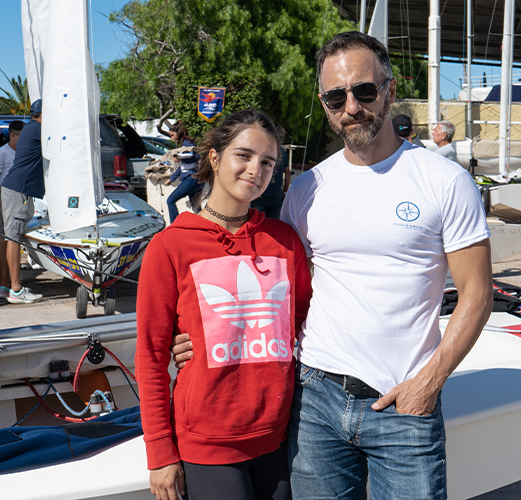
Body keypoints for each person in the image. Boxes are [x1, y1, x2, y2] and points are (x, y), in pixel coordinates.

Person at [172, 31, 493, 499]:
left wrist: (431, 380)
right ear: (324, 105)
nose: (352, 107)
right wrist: (202, 334)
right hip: (314, 401)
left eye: (364, 91)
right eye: (336, 97)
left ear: (390, 90)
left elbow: (477, 294)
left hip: (404, 402)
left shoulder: (445, 181)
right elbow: (268, 282)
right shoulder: (308, 188)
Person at [136, 110, 312, 500]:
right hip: (207, 442)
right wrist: (159, 450)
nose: (255, 170)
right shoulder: (170, 246)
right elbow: (150, 356)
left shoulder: (285, 241)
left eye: (267, 162)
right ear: (214, 158)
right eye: (244, 155)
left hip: (281, 436)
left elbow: (303, 323)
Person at [0, 99, 44, 304]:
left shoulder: (30, 127)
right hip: (18, 190)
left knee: (12, 237)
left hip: (15, 188)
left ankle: (10, 288)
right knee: (14, 237)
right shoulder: (37, 129)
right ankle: (16, 290)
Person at [0, 120, 24, 300]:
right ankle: (0, 282)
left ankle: (4, 282)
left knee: (8, 242)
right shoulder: (1, 153)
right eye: (21, 137)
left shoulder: (24, 152)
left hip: (15, 205)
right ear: (12, 135)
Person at [163, 121, 202, 223]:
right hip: (194, 178)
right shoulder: (185, 143)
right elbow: (182, 167)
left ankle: (174, 226)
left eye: (173, 135)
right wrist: (171, 179)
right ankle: (204, 226)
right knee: (196, 207)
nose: (172, 138)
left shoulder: (187, 143)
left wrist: (179, 158)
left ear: (179, 132)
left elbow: (193, 155)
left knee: (170, 201)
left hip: (191, 178)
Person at [250, 146, 291, 218]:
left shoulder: (261, 148)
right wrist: (285, 191)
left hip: (259, 195)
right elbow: (287, 172)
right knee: (274, 223)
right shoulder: (282, 151)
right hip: (277, 196)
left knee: (257, 222)